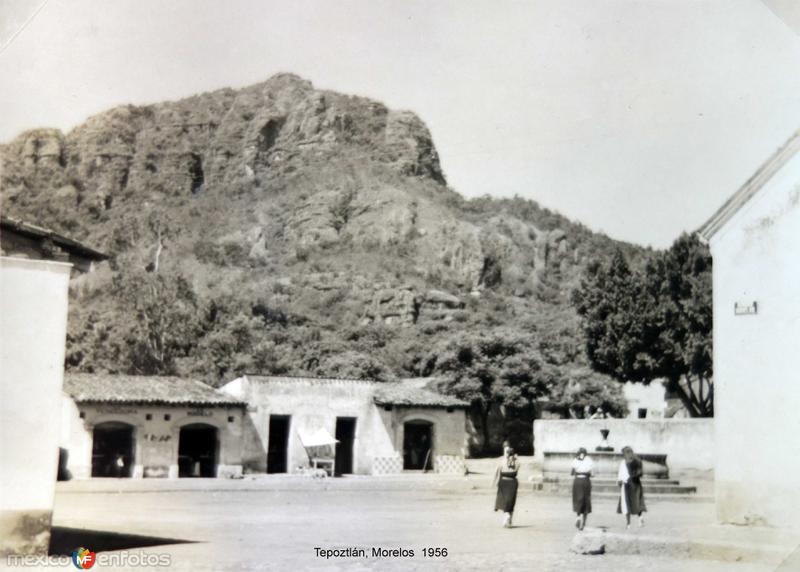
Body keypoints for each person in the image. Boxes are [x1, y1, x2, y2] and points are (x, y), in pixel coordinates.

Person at [617, 446, 646, 529]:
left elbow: (621, 475)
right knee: (637, 501)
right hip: (636, 483)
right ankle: (640, 518)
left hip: (627, 484)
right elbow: (640, 473)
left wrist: (619, 482)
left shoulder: (624, 462)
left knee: (626, 504)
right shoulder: (637, 461)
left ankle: (628, 523)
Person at [493, 446, 520, 528]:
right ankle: (509, 521)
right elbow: (516, 470)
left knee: (504, 502)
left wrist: (494, 481)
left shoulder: (501, 461)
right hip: (513, 482)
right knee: (511, 502)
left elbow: (497, 472)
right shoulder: (517, 461)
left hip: (503, 482)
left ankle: (507, 519)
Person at [571, 447, 593, 530]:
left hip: (577, 481)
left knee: (578, 499)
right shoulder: (589, 460)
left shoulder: (575, 460)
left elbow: (572, 472)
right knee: (586, 500)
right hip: (586, 481)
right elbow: (592, 473)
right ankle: (583, 523)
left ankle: (578, 516)